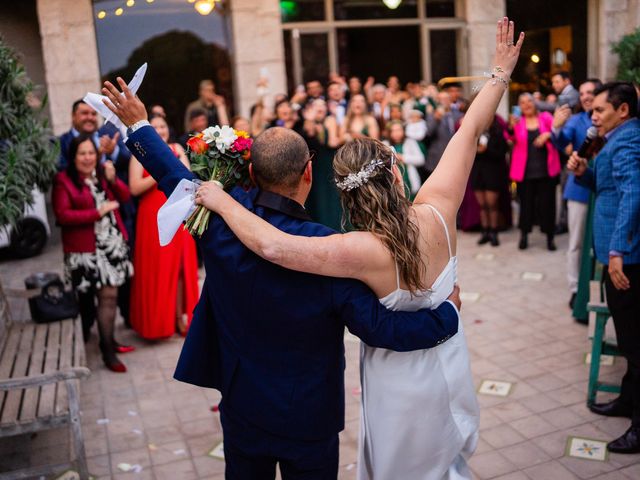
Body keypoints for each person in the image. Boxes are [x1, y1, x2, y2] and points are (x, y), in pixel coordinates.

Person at [194, 18, 523, 479]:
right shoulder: (439, 211)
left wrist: (223, 201)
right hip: (449, 361)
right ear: (395, 172)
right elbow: (469, 130)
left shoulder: (357, 250)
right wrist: (499, 74)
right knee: (449, 461)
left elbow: (273, 245)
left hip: (396, 384)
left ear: (346, 195)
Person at [102, 78, 463, 480]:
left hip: (242, 402)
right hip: (309, 415)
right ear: (309, 172)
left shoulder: (217, 221)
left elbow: (171, 175)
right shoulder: (335, 252)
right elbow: (380, 328)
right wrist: (448, 313)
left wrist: (137, 123)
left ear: (251, 173)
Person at [568, 82, 640, 454]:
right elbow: (608, 187)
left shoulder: (628, 139)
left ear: (623, 110)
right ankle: (627, 400)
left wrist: (617, 250)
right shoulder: (616, 138)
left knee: (635, 341)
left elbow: (634, 192)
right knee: (629, 339)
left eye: (599, 110)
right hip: (620, 251)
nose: (592, 116)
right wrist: (583, 172)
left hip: (627, 258)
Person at [52, 134, 133, 372]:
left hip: (110, 246)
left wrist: (113, 179)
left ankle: (108, 342)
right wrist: (97, 212)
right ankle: (107, 350)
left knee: (109, 297)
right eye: (82, 153)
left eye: (91, 153)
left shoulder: (101, 174)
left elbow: (126, 196)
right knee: (95, 300)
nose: (87, 158)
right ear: (73, 156)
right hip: (85, 250)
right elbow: (62, 215)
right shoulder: (63, 180)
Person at [58, 98, 134, 330]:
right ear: (73, 117)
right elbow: (62, 204)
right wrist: (96, 211)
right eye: (84, 113)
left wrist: (109, 156)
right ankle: (89, 333)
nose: (90, 117)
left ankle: (112, 338)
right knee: (86, 298)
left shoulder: (105, 141)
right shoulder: (62, 145)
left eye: (93, 113)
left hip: (109, 239)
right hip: (83, 244)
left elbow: (122, 179)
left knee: (112, 293)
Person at [128, 115, 199, 340]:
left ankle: (180, 317)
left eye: (162, 126)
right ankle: (158, 321)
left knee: (179, 269)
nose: (159, 130)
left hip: (178, 213)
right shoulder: (138, 151)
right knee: (157, 269)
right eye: (154, 127)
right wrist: (161, 172)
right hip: (152, 216)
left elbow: (188, 182)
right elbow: (134, 188)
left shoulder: (177, 148)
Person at [551, 78, 602, 311]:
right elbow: (562, 140)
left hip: (604, 190)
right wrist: (556, 127)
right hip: (579, 189)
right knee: (576, 243)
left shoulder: (607, 121)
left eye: (590, 92)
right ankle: (575, 288)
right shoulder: (577, 120)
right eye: (582, 93)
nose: (586, 96)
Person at [508, 93, 561, 250]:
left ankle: (550, 237)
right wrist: (511, 127)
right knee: (526, 206)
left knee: (548, 206)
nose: (526, 105)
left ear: (535, 102)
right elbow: (510, 139)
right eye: (522, 102)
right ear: (519, 106)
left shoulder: (545, 117)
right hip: (524, 173)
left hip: (546, 171)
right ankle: (524, 235)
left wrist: (548, 135)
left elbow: (558, 132)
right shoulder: (518, 122)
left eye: (529, 101)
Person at [302, 99, 343, 230]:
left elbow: (332, 142)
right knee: (316, 197)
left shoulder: (330, 120)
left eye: (322, 105)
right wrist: (310, 120)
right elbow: (309, 133)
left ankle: (333, 226)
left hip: (328, 164)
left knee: (330, 196)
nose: (320, 108)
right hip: (314, 166)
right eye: (316, 105)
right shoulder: (309, 123)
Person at [472, 114, 509, 246]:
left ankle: (494, 232)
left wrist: (486, 150)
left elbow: (502, 153)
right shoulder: (474, 134)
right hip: (477, 173)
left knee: (492, 204)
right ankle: (485, 231)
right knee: (482, 205)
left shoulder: (498, 133)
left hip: (492, 172)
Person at [424, 90, 463, 179]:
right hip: (437, 157)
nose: (443, 102)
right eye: (440, 100)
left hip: (456, 156)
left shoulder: (459, 115)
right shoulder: (431, 116)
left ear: (450, 100)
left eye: (445, 99)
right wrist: (435, 119)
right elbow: (428, 133)